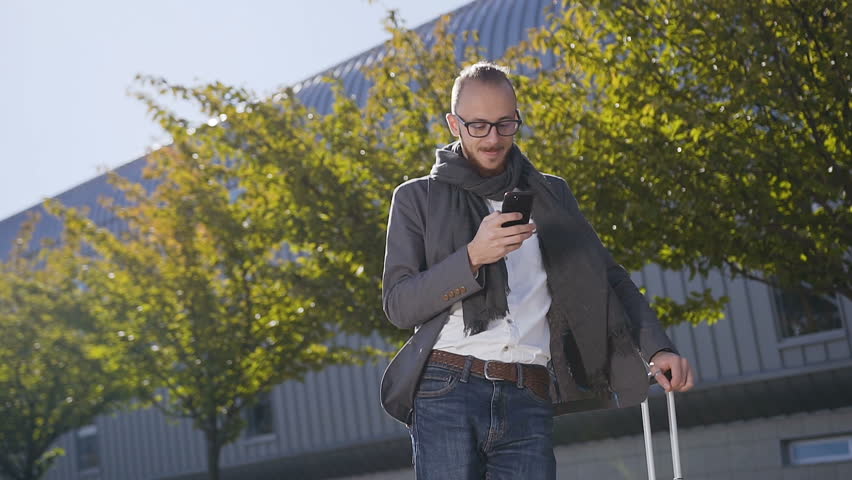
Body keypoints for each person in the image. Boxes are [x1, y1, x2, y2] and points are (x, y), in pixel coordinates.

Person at [380, 62, 694, 480]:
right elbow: (399, 305)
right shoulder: (416, 198)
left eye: (505, 124)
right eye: (478, 126)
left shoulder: (551, 193)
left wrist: (658, 348)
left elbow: (608, 278)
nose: (493, 138)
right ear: (454, 124)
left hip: (530, 390)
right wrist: (472, 256)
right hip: (446, 386)